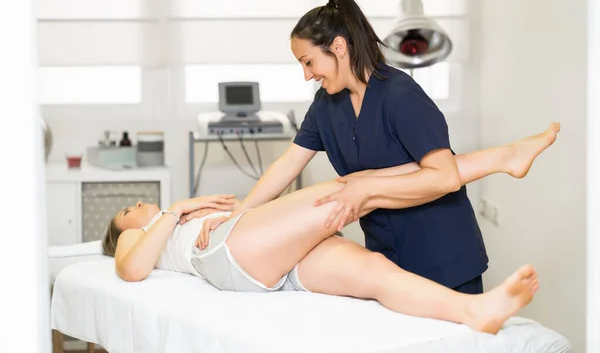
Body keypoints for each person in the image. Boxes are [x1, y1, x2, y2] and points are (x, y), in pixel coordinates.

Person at [215, 0, 559, 294]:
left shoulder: (400, 96)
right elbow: (289, 162)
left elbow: (445, 176)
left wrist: (365, 188)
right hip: (387, 257)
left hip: (443, 254)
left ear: (338, 47)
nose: (307, 74)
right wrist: (240, 214)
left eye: (309, 62)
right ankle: (506, 156)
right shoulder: (326, 104)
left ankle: (509, 156)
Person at [103, 129, 557, 334]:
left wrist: (210, 210)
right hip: (231, 252)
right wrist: (175, 211)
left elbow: (259, 201)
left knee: (376, 270)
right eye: (128, 209)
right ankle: (500, 158)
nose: (138, 205)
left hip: (259, 252)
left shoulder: (176, 220)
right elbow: (132, 271)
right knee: (353, 190)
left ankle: (475, 311)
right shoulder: (139, 235)